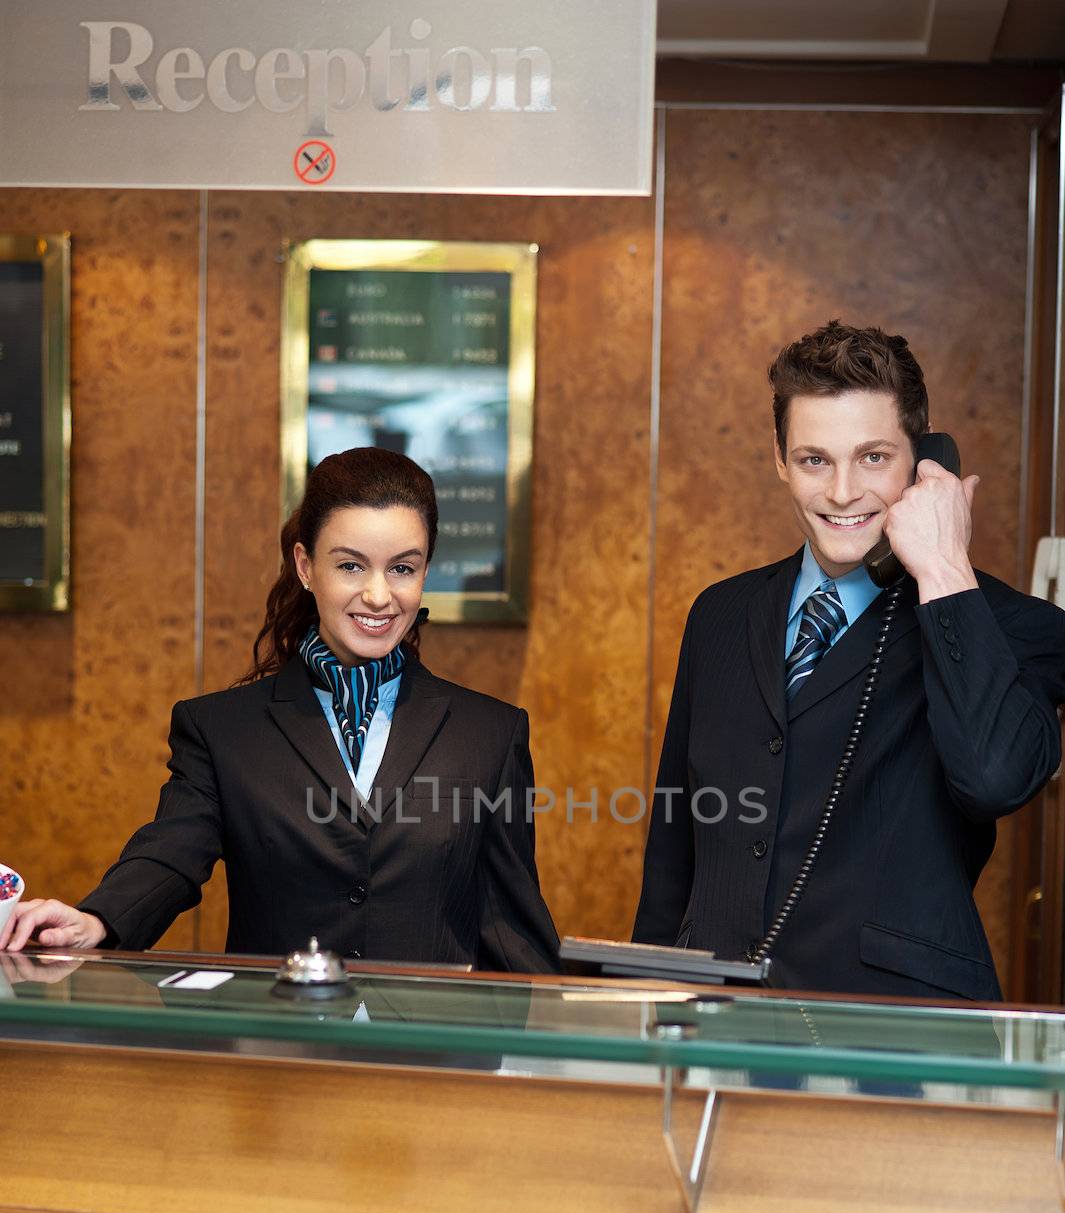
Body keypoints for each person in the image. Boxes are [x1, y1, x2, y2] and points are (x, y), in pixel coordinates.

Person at [633, 320, 1065, 1000]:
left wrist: (945, 572)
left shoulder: (1013, 625)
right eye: (813, 460)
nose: (840, 492)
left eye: (871, 457)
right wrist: (650, 997)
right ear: (779, 459)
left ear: (925, 464)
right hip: (715, 1022)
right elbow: (675, 842)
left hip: (895, 1038)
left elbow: (994, 781)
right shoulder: (720, 613)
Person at [2, 447, 560, 972]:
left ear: (424, 572)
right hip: (280, 1053)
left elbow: (510, 926)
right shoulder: (222, 731)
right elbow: (170, 854)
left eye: (402, 568)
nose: (377, 595)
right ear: (305, 565)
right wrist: (96, 919)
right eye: (350, 566)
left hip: (430, 1061)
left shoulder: (490, 733)